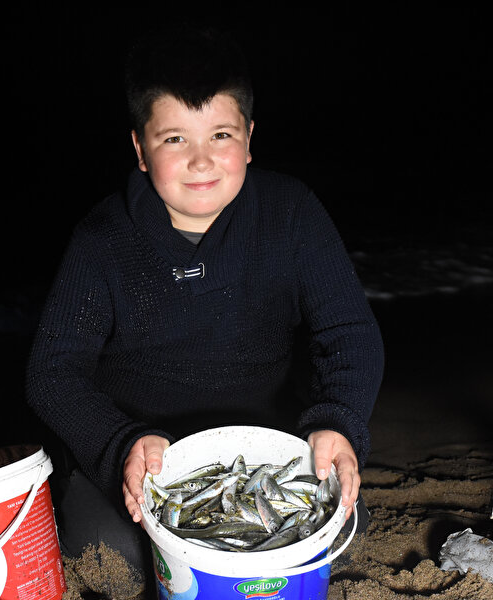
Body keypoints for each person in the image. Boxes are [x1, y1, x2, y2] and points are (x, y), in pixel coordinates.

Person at [25, 24, 383, 595]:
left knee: (337, 526)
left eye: (220, 134)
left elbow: (350, 333)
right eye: (174, 139)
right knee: (116, 556)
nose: (201, 160)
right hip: (140, 454)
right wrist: (119, 444)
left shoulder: (291, 212)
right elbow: (51, 373)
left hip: (260, 447)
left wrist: (338, 420)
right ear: (140, 150)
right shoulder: (101, 240)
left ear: (249, 137)